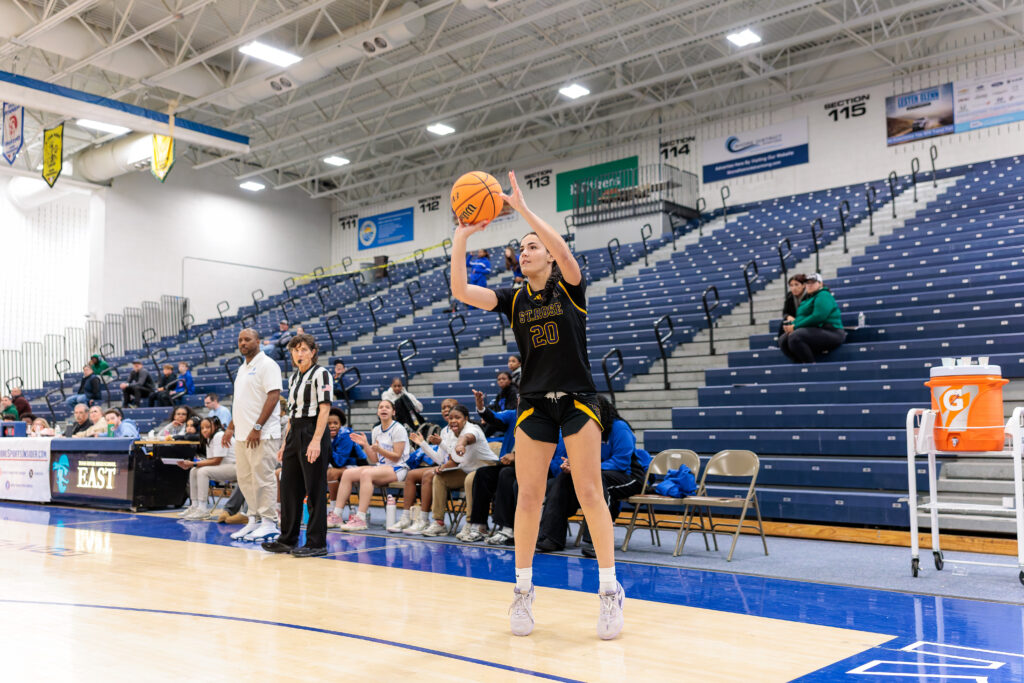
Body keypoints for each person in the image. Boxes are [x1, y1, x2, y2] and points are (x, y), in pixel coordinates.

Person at [450, 169, 624, 639]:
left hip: (577, 399)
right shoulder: (513, 300)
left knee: (589, 491)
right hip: (533, 404)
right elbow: (461, 292)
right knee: (528, 496)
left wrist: (523, 210)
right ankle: (522, 593)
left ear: (547, 254)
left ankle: (610, 592)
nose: (524, 251)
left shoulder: (569, 285)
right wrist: (461, 237)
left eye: (532, 246)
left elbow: (565, 251)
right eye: (521, 248)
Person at [535, 396, 648, 557]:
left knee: (598, 481)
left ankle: (597, 541)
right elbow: (581, 458)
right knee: (563, 479)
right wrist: (571, 464)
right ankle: (551, 537)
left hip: (629, 476)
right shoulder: (585, 430)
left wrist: (586, 468)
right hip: (597, 473)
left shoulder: (619, 427)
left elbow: (621, 462)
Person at [262, 334, 334, 558]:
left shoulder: (321, 374)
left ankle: (316, 543)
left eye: (303, 349)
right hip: (295, 433)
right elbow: (292, 416)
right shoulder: (293, 379)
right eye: (295, 350)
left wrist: (315, 441)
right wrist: (286, 443)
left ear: (313, 352)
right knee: (289, 488)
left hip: (313, 431)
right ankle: (287, 539)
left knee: (314, 489)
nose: (299, 354)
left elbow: (324, 409)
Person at [223, 328, 283, 543]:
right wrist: (230, 427)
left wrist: (257, 427)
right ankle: (254, 519)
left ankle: (269, 522)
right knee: (246, 479)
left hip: (263, 434)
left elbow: (274, 396)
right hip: (242, 435)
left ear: (258, 341)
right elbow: (240, 402)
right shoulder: (242, 368)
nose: (243, 343)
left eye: (247, 339)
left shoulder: (268, 365)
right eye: (240, 340)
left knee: (263, 477)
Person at [334, 400, 410, 531]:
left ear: (393, 412)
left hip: (399, 468)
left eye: (387, 407)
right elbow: (375, 458)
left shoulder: (399, 429)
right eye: (381, 407)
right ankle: (337, 515)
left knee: (366, 474)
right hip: (382, 467)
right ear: (377, 412)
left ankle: (361, 518)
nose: (384, 409)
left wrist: (379, 449)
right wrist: (365, 445)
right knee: (347, 473)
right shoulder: (376, 430)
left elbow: (397, 456)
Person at [384, 398, 457, 534]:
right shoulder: (444, 430)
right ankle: (406, 518)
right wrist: (423, 444)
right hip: (444, 466)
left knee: (428, 474)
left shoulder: (463, 429)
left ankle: (424, 519)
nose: (446, 410)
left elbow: (457, 457)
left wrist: (441, 445)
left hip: (456, 469)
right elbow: (439, 459)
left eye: (449, 406)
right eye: (443, 407)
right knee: (411, 474)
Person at [177, 416, 236, 520]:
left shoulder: (219, 435)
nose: (204, 430)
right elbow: (211, 461)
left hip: (235, 467)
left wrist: (193, 463)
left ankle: (203, 508)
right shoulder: (209, 438)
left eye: (208, 427)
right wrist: (193, 465)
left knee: (202, 471)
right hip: (223, 467)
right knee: (194, 471)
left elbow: (216, 461)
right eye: (202, 428)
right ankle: (195, 506)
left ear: (216, 426)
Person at [780, 273, 846, 364]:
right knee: (783, 340)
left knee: (795, 336)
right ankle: (800, 365)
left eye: (813, 283)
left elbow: (818, 317)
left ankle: (811, 366)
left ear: (820, 284)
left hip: (832, 331)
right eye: (807, 283)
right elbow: (800, 318)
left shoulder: (823, 294)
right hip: (815, 331)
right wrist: (791, 326)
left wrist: (795, 327)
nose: (809, 285)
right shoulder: (807, 299)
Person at [326, 408, 368, 526]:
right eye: (329, 423)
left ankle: (334, 512)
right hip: (342, 465)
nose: (332, 426)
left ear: (341, 424)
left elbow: (339, 462)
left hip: (359, 465)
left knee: (331, 473)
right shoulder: (325, 435)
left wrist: (326, 446)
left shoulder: (346, 435)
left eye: (335, 423)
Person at [779, 274, 807, 339]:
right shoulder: (789, 296)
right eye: (791, 285)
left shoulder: (809, 295)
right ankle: (779, 344)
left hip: (804, 321)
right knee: (784, 322)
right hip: (794, 321)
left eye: (796, 284)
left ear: (803, 285)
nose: (794, 288)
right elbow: (785, 312)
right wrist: (788, 316)